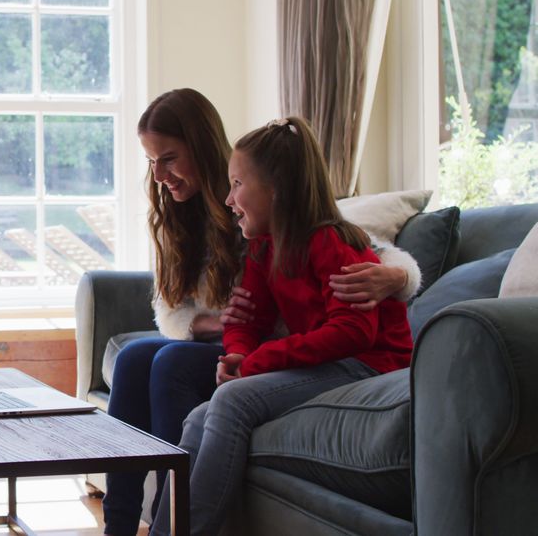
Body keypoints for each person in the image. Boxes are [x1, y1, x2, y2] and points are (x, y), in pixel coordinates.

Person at [101, 90, 420, 536]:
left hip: (355, 359)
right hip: (280, 351)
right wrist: (235, 346)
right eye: (152, 161)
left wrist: (398, 278)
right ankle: (132, 528)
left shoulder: (322, 237)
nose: (158, 175)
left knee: (219, 393)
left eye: (169, 158)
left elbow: (368, 289)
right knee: (167, 388)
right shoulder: (260, 240)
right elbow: (225, 317)